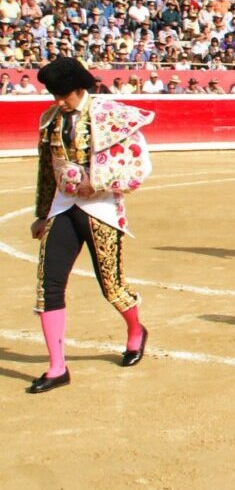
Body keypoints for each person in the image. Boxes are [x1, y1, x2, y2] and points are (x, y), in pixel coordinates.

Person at [27, 57, 154, 394]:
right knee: (48, 286)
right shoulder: (51, 120)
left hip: (101, 208)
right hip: (63, 207)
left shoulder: (110, 114)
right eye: (53, 94)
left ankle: (136, 331)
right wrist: (41, 213)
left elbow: (139, 164)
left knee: (112, 287)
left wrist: (96, 182)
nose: (58, 100)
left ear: (79, 88)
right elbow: (46, 170)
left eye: (63, 94)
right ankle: (57, 368)